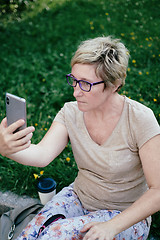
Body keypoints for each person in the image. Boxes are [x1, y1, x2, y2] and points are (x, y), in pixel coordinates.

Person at [0, 36, 160, 240]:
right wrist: (7, 149)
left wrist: (111, 226)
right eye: (74, 80)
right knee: (30, 234)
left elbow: (158, 191)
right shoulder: (71, 112)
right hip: (80, 197)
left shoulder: (139, 119)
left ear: (114, 85)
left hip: (125, 216)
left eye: (85, 84)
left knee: (52, 236)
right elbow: (41, 155)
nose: (76, 92)